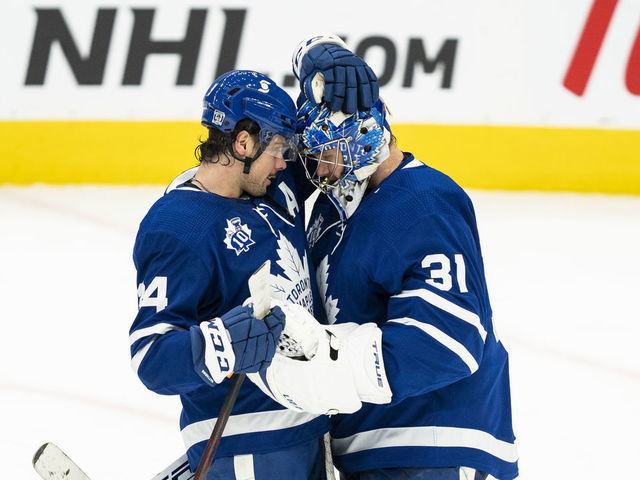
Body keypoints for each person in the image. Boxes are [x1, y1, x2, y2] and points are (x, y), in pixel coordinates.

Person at [258, 37, 519, 480]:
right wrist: (322, 51)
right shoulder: (330, 207)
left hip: (439, 450)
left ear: (363, 136)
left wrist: (330, 361)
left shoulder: (424, 202)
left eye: (325, 154)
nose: (318, 170)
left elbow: (450, 339)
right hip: (372, 455)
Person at [129, 70, 332, 479]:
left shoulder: (274, 184)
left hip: (313, 426)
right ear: (243, 142)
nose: (285, 161)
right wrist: (220, 342)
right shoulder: (178, 225)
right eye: (277, 148)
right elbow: (150, 357)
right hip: (246, 443)